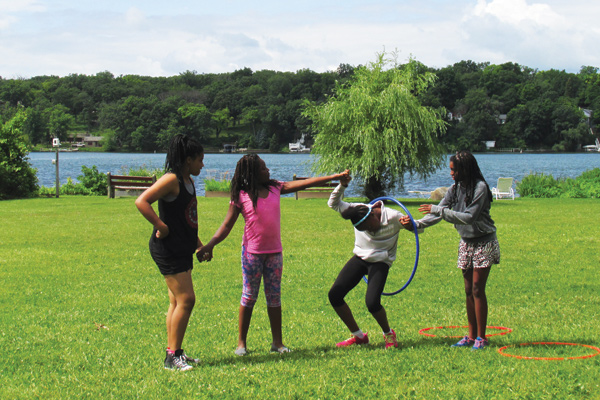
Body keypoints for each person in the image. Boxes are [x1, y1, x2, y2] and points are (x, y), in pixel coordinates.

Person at [198, 154, 349, 356]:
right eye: (263, 168)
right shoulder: (241, 195)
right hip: (252, 253)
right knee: (249, 296)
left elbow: (305, 184)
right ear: (252, 173)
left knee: (274, 297)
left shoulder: (275, 187)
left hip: (274, 253)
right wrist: (210, 245)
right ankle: (241, 343)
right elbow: (227, 224)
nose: (267, 170)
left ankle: (277, 343)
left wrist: (335, 177)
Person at [401, 150, 500, 350]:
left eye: (454, 170)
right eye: (451, 170)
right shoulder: (455, 189)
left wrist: (437, 210)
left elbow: (468, 217)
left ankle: (482, 337)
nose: (451, 174)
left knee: (477, 289)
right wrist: (415, 224)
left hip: (484, 241)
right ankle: (471, 336)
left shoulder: (480, 188)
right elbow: (437, 213)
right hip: (466, 242)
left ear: (465, 169)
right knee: (467, 290)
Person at [135, 134, 207, 371]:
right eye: (199, 160)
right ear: (188, 160)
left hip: (182, 246)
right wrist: (160, 226)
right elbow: (142, 201)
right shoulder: (171, 179)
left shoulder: (188, 180)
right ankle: (171, 358)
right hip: (168, 249)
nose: (202, 165)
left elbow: (186, 218)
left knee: (176, 300)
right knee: (187, 299)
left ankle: (176, 352)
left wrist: (197, 244)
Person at [327, 172, 409, 349]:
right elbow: (332, 203)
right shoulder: (356, 209)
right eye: (364, 230)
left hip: (380, 261)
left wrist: (411, 225)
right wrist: (342, 185)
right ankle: (359, 336)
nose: (370, 231)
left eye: (370, 227)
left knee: (372, 303)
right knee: (334, 295)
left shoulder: (393, 216)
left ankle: (389, 334)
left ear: (372, 214)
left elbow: (417, 226)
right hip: (360, 257)